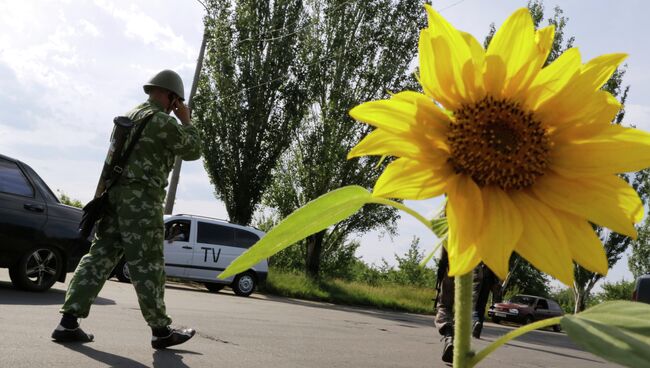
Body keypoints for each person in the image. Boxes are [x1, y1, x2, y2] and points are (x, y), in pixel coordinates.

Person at [51, 70, 202, 349]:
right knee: (148, 263)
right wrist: (187, 120)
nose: (175, 106)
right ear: (170, 96)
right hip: (142, 202)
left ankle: (68, 322)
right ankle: (161, 330)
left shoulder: (130, 114)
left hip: (115, 197)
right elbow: (193, 149)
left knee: (99, 257)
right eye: (176, 101)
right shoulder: (161, 121)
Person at [434, 247, 501, 363]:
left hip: (453, 262)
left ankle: (449, 337)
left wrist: (441, 265)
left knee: (444, 305)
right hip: (474, 268)